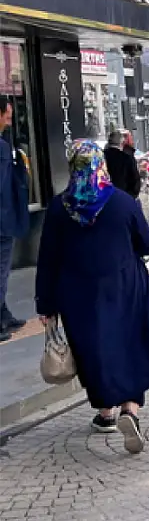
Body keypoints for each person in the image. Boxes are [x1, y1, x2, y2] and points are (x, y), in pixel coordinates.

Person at [35, 141, 149, 450]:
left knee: (93, 349)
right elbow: (147, 244)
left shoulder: (58, 207)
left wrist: (45, 303)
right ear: (100, 164)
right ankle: (130, 408)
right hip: (123, 285)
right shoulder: (122, 202)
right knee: (129, 342)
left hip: (76, 294)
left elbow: (48, 258)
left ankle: (105, 413)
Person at [0, 96, 30, 343]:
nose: (10, 120)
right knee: (1, 270)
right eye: (7, 115)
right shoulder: (0, 147)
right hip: (2, 219)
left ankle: (4, 313)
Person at [104, 130, 141, 198]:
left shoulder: (101, 157)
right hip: (122, 194)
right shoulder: (127, 158)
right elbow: (135, 179)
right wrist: (132, 196)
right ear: (121, 142)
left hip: (104, 196)